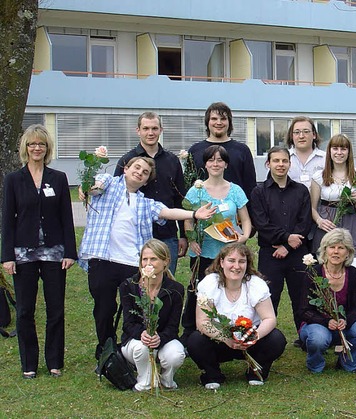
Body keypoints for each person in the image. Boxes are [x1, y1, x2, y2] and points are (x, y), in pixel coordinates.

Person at [77, 156, 215, 361]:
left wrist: (193, 214)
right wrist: (85, 188)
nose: (140, 172)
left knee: (134, 307)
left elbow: (168, 212)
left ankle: (132, 345)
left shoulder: (145, 203)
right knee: (104, 308)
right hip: (101, 257)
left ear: (146, 181)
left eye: (145, 173)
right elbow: (93, 187)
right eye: (137, 167)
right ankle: (106, 348)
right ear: (125, 169)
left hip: (132, 262)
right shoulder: (108, 182)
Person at [1, 124, 77, 379]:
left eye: (41, 144)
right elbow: (8, 221)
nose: (37, 148)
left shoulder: (57, 178)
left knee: (55, 309)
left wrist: (70, 252)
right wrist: (7, 257)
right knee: (24, 310)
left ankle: (54, 361)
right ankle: (29, 363)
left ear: (47, 149)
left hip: (55, 253)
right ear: (25, 147)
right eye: (32, 144)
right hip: (23, 254)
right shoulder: (13, 179)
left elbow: (67, 216)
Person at [180, 144, 252, 345]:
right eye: (211, 160)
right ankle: (190, 332)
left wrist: (244, 237)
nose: (215, 163)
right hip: (203, 253)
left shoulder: (235, 190)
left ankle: (227, 328)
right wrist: (192, 239)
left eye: (220, 160)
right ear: (205, 164)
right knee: (197, 292)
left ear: (226, 164)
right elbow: (189, 219)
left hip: (229, 253)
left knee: (227, 291)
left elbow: (245, 219)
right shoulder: (196, 190)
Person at [188, 243, 287, 388]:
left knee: (276, 339)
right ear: (222, 262)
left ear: (247, 264)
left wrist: (252, 337)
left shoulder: (255, 285)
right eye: (231, 260)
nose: (236, 266)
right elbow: (202, 322)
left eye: (242, 261)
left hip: (250, 341)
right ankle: (212, 374)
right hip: (220, 341)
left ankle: (255, 371)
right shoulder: (209, 284)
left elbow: (269, 319)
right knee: (195, 341)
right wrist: (226, 339)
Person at [250, 146, 313, 336]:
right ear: (268, 163)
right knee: (269, 297)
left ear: (289, 163)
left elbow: (305, 222)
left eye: (284, 161)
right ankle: (266, 338)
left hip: (297, 253)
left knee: (302, 298)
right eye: (276, 161)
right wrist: (286, 238)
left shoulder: (301, 190)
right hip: (270, 254)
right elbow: (262, 224)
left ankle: (306, 338)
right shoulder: (258, 192)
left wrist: (287, 246)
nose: (280, 164)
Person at [114, 112, 187, 274]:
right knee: (137, 285)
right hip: (135, 234)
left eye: (154, 128)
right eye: (145, 128)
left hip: (167, 235)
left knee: (166, 283)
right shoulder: (127, 160)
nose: (150, 133)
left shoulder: (172, 160)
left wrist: (183, 235)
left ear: (161, 130)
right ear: (138, 130)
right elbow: (115, 193)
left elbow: (179, 199)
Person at [299, 229, 356, 373]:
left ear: (348, 252)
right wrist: (326, 322)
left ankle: (348, 362)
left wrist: (345, 320)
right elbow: (304, 310)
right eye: (332, 247)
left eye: (341, 248)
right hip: (316, 325)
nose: (336, 252)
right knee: (318, 338)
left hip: (343, 325)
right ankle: (315, 365)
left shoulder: (352, 273)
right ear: (325, 250)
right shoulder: (313, 273)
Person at [119, 239, 185, 391]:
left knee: (176, 354)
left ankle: (167, 380)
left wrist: (159, 338)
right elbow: (128, 324)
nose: (148, 264)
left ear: (165, 262)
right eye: (145, 259)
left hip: (162, 337)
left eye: (154, 259)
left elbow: (173, 326)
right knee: (142, 347)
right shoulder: (129, 286)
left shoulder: (175, 290)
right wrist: (142, 334)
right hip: (135, 340)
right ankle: (145, 381)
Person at [310, 134, 356, 285]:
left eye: (343, 148)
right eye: (335, 148)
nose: (339, 152)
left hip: (350, 224)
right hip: (327, 225)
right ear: (329, 151)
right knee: (325, 275)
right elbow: (312, 207)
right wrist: (319, 221)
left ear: (349, 152)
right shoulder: (319, 176)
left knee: (355, 273)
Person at [188, 102, 257, 202]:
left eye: (223, 119)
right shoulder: (195, 151)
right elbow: (189, 187)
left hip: (237, 214)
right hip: (203, 214)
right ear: (207, 122)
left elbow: (250, 187)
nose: (219, 122)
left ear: (229, 122)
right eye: (214, 119)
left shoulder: (242, 150)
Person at [286, 116, 326, 189]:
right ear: (292, 136)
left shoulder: (326, 159)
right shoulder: (283, 159)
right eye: (297, 132)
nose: (301, 136)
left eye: (306, 132)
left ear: (314, 135)